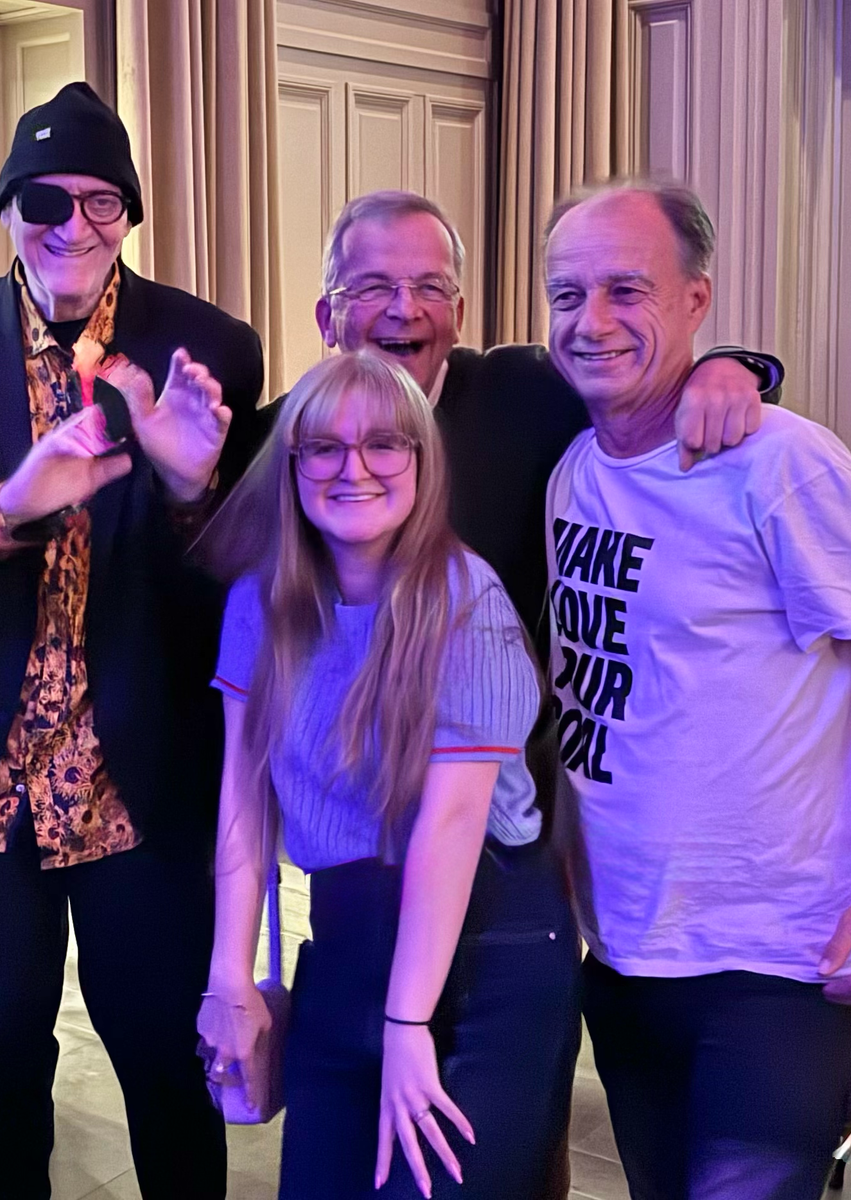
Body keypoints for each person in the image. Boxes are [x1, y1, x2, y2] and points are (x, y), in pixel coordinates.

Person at [0, 82, 264, 1197]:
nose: (73, 225)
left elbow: (249, 584)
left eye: (102, 201)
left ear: (129, 214)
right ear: (6, 209)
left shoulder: (209, 348)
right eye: (44, 199)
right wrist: (10, 505)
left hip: (142, 771)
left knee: (163, 1065)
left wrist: (190, 490)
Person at [541, 180, 851, 1199]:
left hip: (783, 955)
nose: (593, 320)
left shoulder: (780, 464)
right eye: (567, 294)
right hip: (624, 945)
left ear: (696, 299)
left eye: (627, 289)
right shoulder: (571, 468)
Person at [198, 352, 579, 1199]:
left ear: (421, 460)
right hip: (347, 939)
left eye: (383, 444)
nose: (354, 468)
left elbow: (450, 829)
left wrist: (408, 1024)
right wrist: (228, 978)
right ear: (292, 465)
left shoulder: (467, 601)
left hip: (485, 949)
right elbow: (242, 803)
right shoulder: (261, 602)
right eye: (324, 448)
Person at [292, 190, 782, 639]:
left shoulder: (525, 393)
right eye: (373, 288)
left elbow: (643, 379)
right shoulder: (283, 435)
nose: (405, 309)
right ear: (326, 320)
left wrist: (731, 367)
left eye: (430, 287)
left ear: (458, 317)